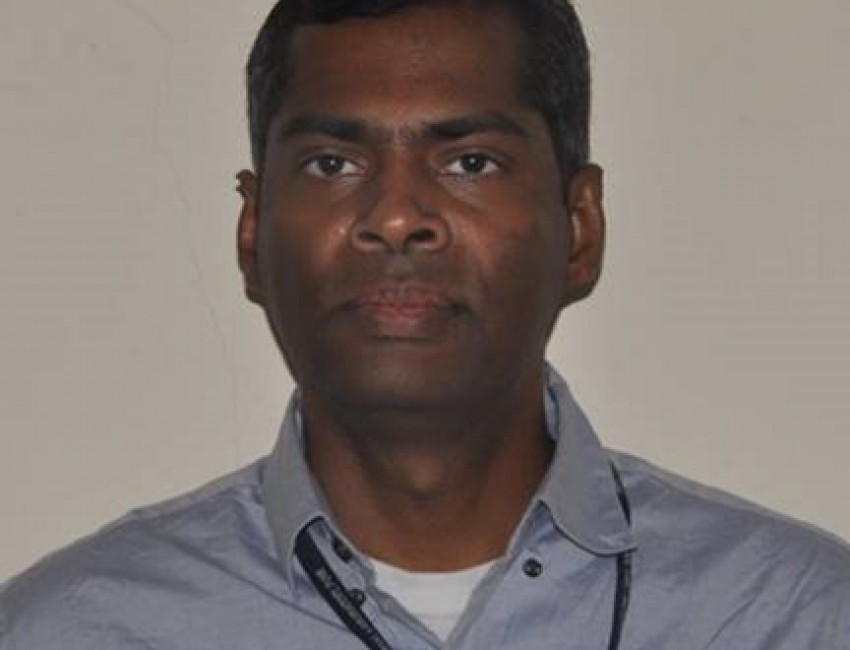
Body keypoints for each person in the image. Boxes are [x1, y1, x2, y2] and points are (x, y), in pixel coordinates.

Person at [2, 0, 849, 648]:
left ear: (579, 227)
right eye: (332, 163)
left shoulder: (795, 618)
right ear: (253, 235)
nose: (397, 217)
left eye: (469, 161)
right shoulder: (71, 631)